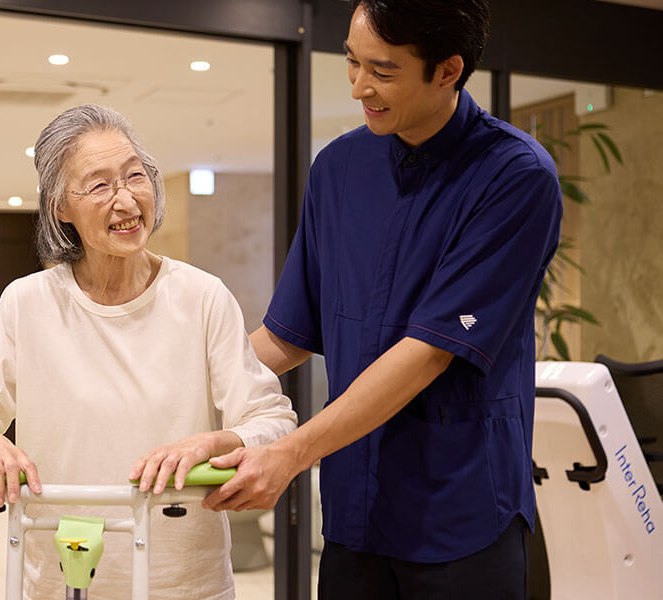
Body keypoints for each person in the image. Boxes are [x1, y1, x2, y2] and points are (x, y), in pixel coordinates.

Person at [202, 1, 562, 598]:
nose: (359, 87)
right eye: (351, 63)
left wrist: (289, 455)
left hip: (460, 514)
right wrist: (172, 392)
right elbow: (287, 337)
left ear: (448, 70)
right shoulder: (338, 169)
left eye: (383, 71)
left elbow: (429, 352)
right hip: (354, 514)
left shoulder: (515, 176)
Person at [0, 104, 298, 600]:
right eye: (100, 185)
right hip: (61, 579)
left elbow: (271, 420)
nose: (126, 200)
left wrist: (215, 442)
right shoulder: (28, 302)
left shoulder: (201, 296)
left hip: (185, 585)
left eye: (135, 177)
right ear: (61, 207)